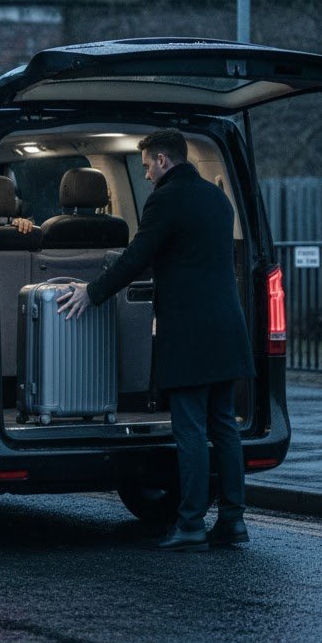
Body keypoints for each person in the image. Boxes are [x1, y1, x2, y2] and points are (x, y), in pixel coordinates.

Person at [56, 129, 255, 552]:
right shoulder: (218, 199)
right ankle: (233, 520)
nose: (146, 174)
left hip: (190, 334)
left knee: (190, 429)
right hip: (228, 328)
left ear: (163, 161)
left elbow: (136, 257)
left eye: (147, 166)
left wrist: (91, 292)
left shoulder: (166, 199)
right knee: (224, 427)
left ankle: (191, 524)